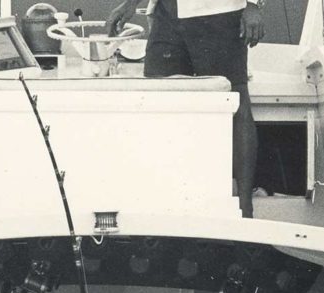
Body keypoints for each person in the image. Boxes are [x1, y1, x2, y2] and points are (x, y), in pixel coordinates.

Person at [105, 0, 264, 218]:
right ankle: (168, 204)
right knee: (159, 103)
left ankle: (245, 207)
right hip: (166, 16)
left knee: (234, 102)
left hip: (219, 14)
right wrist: (130, 4)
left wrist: (253, 5)